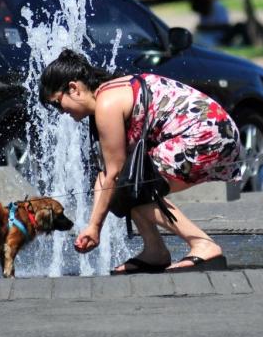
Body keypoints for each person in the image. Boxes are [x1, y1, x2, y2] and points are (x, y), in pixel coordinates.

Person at [39, 49, 242, 274]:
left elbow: (114, 175)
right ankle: (155, 251)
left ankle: (203, 244)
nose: (61, 113)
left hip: (204, 134)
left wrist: (95, 227)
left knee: (131, 189)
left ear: (73, 88)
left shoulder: (107, 105)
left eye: (58, 103)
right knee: (128, 187)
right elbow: (106, 174)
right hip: (216, 130)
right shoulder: (107, 96)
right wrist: (92, 225)